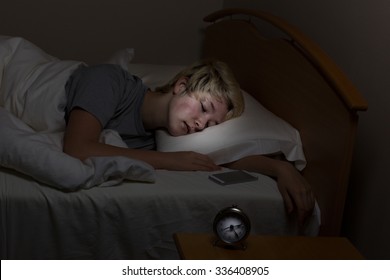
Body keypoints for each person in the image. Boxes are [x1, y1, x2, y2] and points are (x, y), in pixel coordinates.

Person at [63, 59, 314, 226]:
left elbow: (228, 156)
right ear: (181, 85)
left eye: (210, 125)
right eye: (204, 107)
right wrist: (170, 162)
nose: (200, 124)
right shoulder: (110, 81)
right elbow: (77, 148)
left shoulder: (155, 140)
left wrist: (283, 169)